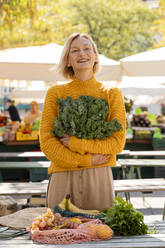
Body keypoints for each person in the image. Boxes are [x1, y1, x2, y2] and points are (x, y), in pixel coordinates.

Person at [40, 33, 126, 211]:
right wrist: (87, 160)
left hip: (99, 176)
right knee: (60, 232)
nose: (82, 54)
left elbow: (117, 143)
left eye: (87, 49)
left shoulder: (111, 93)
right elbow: (47, 142)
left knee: (100, 232)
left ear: (95, 57)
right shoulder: (55, 93)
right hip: (63, 174)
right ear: (68, 61)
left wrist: (76, 143)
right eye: (75, 51)